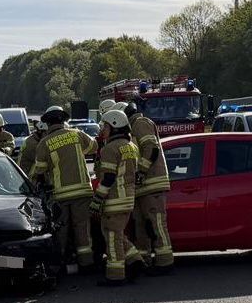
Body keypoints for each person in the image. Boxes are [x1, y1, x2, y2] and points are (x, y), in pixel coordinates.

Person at [30, 106, 95, 272]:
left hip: (61, 195)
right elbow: (93, 147)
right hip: (83, 192)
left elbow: (40, 170)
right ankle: (86, 263)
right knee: (82, 228)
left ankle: (60, 264)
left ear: (48, 123)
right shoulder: (77, 134)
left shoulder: (44, 143)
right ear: (63, 121)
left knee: (62, 230)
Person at [93, 109, 144, 284]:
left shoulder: (110, 148)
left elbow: (108, 177)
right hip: (128, 199)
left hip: (114, 199)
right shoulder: (131, 147)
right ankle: (135, 259)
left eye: (105, 126)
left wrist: (97, 200)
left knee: (113, 238)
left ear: (114, 125)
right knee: (117, 233)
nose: (103, 130)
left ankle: (115, 276)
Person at [127, 98, 174, 272]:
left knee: (156, 224)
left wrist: (141, 172)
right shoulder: (133, 126)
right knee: (141, 225)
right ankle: (144, 260)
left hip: (152, 184)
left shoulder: (140, 123)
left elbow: (151, 148)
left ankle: (165, 262)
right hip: (142, 188)